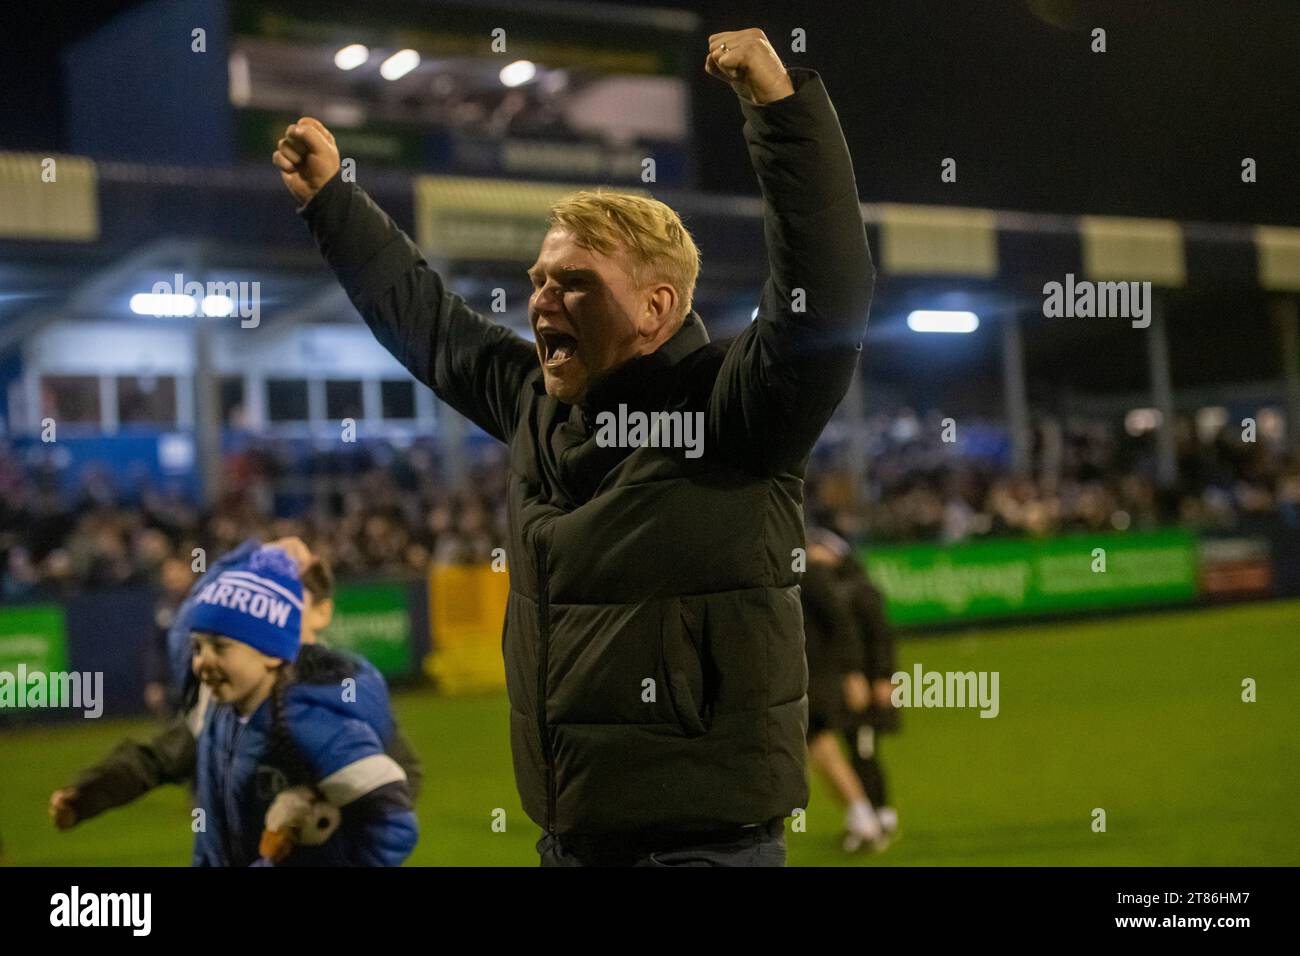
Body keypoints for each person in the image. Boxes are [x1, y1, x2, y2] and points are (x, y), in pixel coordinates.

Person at [276, 27, 874, 866]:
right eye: (539, 279)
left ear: (657, 309)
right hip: (570, 843)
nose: (543, 299)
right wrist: (333, 200)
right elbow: (427, 324)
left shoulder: (735, 410)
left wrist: (780, 110)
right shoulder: (537, 402)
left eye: (576, 284)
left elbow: (826, 301)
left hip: (701, 853)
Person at [48, 538, 422, 832]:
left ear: (322, 612)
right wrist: (87, 795)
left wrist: (332, 819)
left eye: (291, 602)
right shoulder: (229, 695)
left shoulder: (346, 687)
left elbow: (402, 775)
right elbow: (158, 757)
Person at [188, 545, 417, 866]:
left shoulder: (309, 721)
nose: (202, 662)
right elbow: (212, 840)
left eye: (221, 647)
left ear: (271, 652)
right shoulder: (222, 713)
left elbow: (394, 825)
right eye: (197, 647)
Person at [801, 533, 886, 852]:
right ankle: (862, 817)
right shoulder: (799, 573)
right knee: (817, 749)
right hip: (809, 676)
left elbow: (841, 624)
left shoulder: (809, 575)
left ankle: (864, 816)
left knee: (820, 746)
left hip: (817, 678)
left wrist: (852, 672)